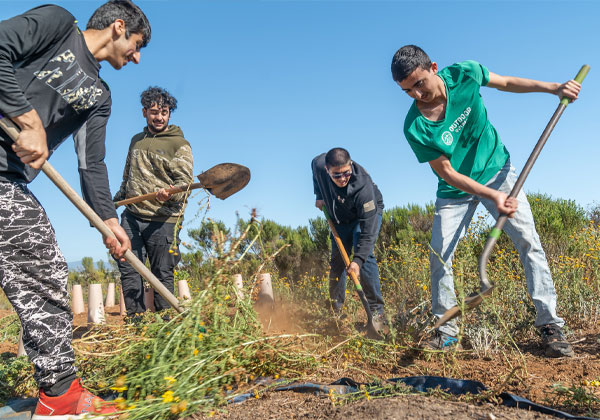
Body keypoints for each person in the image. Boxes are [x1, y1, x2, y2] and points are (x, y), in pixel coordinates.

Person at [0, 1, 151, 417]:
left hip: (4, 178)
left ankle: (60, 390)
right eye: (137, 45)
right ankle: (61, 395)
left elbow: (91, 163)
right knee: (41, 261)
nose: (136, 57)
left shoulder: (99, 96)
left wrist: (107, 220)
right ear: (118, 27)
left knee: (37, 258)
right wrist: (27, 119)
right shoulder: (57, 25)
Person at [391, 45, 580, 357]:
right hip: (455, 192)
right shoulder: (415, 127)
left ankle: (550, 325)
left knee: (528, 242)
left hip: (497, 169)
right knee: (440, 254)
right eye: (407, 90)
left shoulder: (465, 73)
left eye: (419, 83)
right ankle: (447, 331)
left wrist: (553, 88)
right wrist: (491, 196)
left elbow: (505, 82)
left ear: (434, 67)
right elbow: (448, 173)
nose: (416, 94)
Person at [113, 86, 193, 318]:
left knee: (162, 273)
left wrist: (171, 193)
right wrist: (116, 201)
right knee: (128, 269)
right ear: (144, 112)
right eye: (154, 112)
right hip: (132, 216)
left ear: (170, 114)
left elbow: (185, 183)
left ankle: (165, 327)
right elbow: (127, 175)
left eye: (164, 112)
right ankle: (136, 325)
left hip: (164, 220)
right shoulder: (136, 141)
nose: (159, 117)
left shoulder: (179, 144)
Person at [312, 148, 386, 333]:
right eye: (337, 175)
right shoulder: (319, 165)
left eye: (347, 172)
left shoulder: (363, 187)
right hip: (339, 219)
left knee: (365, 256)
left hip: (365, 216)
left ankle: (377, 314)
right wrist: (319, 195)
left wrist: (357, 261)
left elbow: (368, 232)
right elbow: (314, 166)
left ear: (351, 165)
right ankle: (335, 312)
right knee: (337, 261)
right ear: (327, 170)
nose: (343, 178)